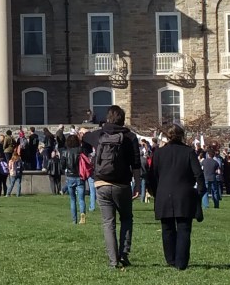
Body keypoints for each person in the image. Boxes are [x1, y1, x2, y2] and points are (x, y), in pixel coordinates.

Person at [82, 105, 142, 270]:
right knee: (126, 219)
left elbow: (85, 137)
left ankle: (113, 260)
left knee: (108, 223)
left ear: (108, 118)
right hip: (122, 184)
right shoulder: (130, 137)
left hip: (101, 183)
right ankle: (124, 254)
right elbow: (136, 164)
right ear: (123, 119)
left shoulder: (100, 134)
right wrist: (137, 184)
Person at [146, 124, 203, 271]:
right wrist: (200, 191)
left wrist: (154, 191)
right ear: (182, 136)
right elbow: (198, 173)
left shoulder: (159, 153)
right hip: (184, 193)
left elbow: (152, 175)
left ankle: (171, 258)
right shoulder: (189, 152)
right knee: (184, 228)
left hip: (164, 193)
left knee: (167, 228)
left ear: (167, 136)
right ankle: (181, 261)